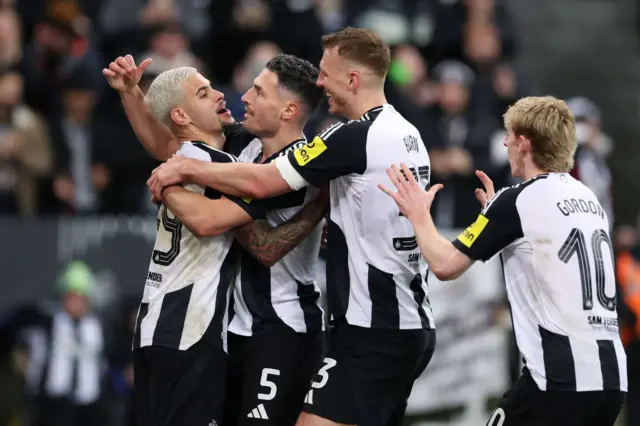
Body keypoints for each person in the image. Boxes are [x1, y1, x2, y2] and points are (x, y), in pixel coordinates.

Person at [146, 27, 436, 426]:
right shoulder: (405, 132)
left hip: (360, 327)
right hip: (389, 318)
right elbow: (174, 144)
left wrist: (182, 170)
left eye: (326, 72)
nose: (319, 82)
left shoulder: (348, 140)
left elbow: (260, 190)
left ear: (352, 79)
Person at [104, 54, 328, 426]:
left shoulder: (290, 169)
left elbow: (262, 247)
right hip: (204, 326)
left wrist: (318, 209)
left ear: (288, 110)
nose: (243, 98)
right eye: (206, 93)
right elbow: (171, 145)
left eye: (258, 91)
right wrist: (133, 97)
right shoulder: (235, 152)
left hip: (277, 329)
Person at [380, 96, 627, 426]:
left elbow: (444, 264)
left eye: (509, 135)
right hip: (611, 378)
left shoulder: (518, 200)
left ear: (524, 143)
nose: (505, 142)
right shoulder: (587, 198)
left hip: (559, 381)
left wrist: (418, 214)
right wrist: (492, 218)